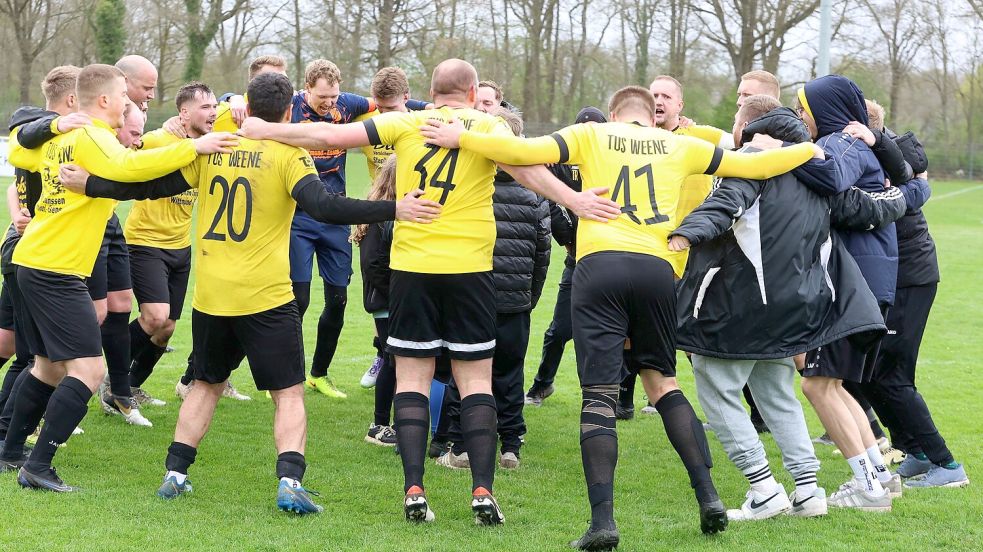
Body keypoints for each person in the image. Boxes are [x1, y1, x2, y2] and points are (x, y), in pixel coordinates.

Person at [420, 84, 821, 548]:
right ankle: (709, 497)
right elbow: (755, 165)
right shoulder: (681, 143)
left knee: (599, 395)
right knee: (663, 383)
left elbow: (520, 149)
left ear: (612, 113)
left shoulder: (592, 134)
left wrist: (461, 137)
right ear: (652, 117)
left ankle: (602, 523)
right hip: (655, 270)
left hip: (600, 268)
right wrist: (811, 146)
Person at [239, 58, 622, 526]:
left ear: (430, 91)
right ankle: (482, 490)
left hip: (412, 269)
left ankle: (414, 490)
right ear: (474, 89)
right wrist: (575, 200)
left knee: (413, 380)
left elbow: (328, 137)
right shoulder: (487, 124)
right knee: (476, 381)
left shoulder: (408, 122)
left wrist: (263, 130)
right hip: (471, 272)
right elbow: (528, 169)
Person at [57, 71, 441, 511]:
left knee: (204, 385)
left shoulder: (218, 145)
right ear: (286, 110)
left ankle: (175, 473)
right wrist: (396, 207)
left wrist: (91, 185)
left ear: (247, 104)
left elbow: (151, 186)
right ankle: (290, 483)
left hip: (214, 297)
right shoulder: (287, 153)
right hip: (266, 298)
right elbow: (326, 206)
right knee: (289, 393)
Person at [670, 95, 909, 522]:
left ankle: (763, 488)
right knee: (777, 393)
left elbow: (725, 206)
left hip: (739, 306)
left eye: (740, 125)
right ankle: (808, 489)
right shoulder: (815, 177)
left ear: (753, 131)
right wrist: (913, 190)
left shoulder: (751, 163)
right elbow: (867, 207)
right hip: (794, 310)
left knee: (719, 388)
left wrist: (683, 234)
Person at [0, 63, 236, 491]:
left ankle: (10, 452)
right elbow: (129, 168)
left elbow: (16, 149)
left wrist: (49, 127)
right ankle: (38, 466)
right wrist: (194, 149)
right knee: (88, 372)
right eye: (124, 98)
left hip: (36, 262)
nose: (129, 106)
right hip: (55, 268)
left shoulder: (66, 136)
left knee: (50, 366)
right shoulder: (90, 135)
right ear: (105, 100)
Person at [791, 74, 906, 511]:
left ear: (826, 110)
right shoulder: (858, 143)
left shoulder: (844, 142)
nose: (802, 119)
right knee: (834, 385)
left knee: (817, 386)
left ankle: (869, 489)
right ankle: (879, 476)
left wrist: (780, 153)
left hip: (850, 287)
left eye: (805, 110)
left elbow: (830, 177)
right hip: (869, 286)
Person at [435, 107, 551, 471]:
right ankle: (511, 444)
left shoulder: (472, 186)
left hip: (473, 295)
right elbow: (542, 251)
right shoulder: (534, 193)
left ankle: (460, 443)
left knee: (465, 372)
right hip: (515, 299)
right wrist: (528, 297)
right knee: (510, 374)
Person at [0, 66, 87, 453]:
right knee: (30, 356)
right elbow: (20, 126)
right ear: (71, 101)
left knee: (23, 352)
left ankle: (11, 435)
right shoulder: (42, 129)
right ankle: (8, 437)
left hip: (33, 251)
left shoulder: (55, 137)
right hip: (31, 253)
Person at [125, 82, 217, 407]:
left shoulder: (209, 147)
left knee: (166, 329)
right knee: (154, 317)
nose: (213, 112)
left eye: (215, 106)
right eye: (205, 107)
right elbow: (123, 160)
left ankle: (130, 387)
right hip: (144, 242)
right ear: (184, 112)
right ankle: (110, 376)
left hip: (181, 247)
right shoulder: (155, 140)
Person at [355, 66, 432, 389]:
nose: (385, 116)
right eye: (380, 109)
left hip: (418, 212)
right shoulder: (363, 120)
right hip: (381, 207)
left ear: (407, 99)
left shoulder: (423, 122)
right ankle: (382, 354)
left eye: (392, 109)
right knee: (378, 285)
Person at [525, 106, 606, 408]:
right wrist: (569, 240)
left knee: (620, 332)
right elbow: (548, 200)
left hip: (611, 255)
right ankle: (542, 385)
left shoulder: (614, 161)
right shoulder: (560, 161)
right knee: (560, 329)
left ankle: (622, 397)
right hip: (578, 258)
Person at [352, 156, 399, 446]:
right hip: (386, 303)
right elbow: (374, 265)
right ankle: (379, 425)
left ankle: (388, 422)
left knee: (393, 360)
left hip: (389, 301)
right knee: (391, 361)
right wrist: (399, 296)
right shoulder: (379, 216)